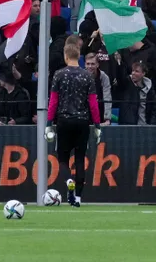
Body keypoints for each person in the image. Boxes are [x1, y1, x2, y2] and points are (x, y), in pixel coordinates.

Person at [47, 36, 100, 207]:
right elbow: (93, 103)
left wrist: (49, 123)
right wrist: (97, 124)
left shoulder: (59, 75)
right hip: (83, 122)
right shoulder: (87, 76)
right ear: (79, 56)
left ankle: (68, 179)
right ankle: (77, 197)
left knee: (62, 158)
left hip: (64, 120)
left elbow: (53, 101)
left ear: (65, 56)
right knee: (79, 158)